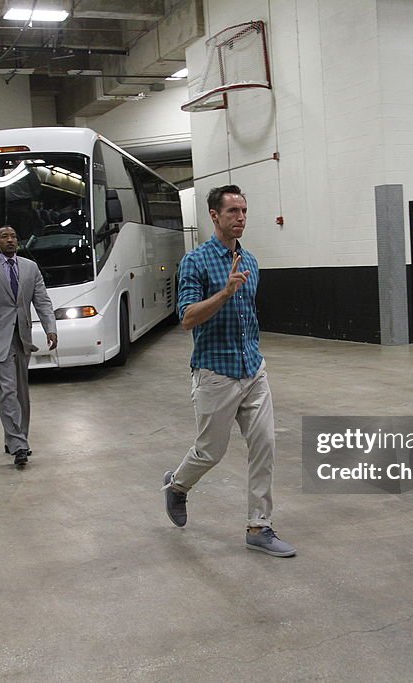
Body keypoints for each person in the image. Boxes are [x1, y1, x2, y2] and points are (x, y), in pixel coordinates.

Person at [162, 185, 296, 558]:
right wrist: (223, 293)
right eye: (233, 211)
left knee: (265, 445)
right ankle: (177, 487)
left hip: (252, 369)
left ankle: (259, 526)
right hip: (215, 372)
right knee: (210, 451)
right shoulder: (196, 262)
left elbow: (249, 317)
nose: (240, 217)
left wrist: (254, 353)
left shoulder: (250, 261)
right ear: (214, 215)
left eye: (244, 211)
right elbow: (187, 319)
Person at [0, 225, 57, 469]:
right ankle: (19, 445)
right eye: (5, 237)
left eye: (14, 236)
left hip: (23, 336)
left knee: (21, 391)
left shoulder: (30, 268)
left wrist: (51, 328)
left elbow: (42, 300)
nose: (10, 240)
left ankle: (16, 438)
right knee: (7, 390)